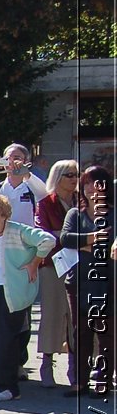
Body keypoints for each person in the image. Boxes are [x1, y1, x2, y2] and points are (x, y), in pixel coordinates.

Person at [0, 192, 56, 402]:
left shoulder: (18, 231)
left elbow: (48, 240)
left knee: (7, 340)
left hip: (13, 292)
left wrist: (35, 262)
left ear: (4, 215)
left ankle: (10, 388)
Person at [60, 164, 113, 396]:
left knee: (105, 334)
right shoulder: (75, 213)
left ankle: (103, 381)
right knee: (79, 331)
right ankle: (80, 381)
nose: (93, 188)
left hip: (106, 280)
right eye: (88, 183)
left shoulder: (113, 213)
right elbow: (65, 238)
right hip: (78, 281)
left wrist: (86, 245)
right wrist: (92, 238)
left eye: (98, 183)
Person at [35, 160, 80, 386]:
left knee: (77, 318)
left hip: (80, 266)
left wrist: (64, 235)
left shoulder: (83, 202)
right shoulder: (46, 203)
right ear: (58, 176)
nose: (74, 179)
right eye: (69, 174)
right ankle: (47, 363)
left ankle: (75, 366)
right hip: (52, 266)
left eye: (76, 175)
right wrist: (70, 237)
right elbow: (44, 235)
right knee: (52, 315)